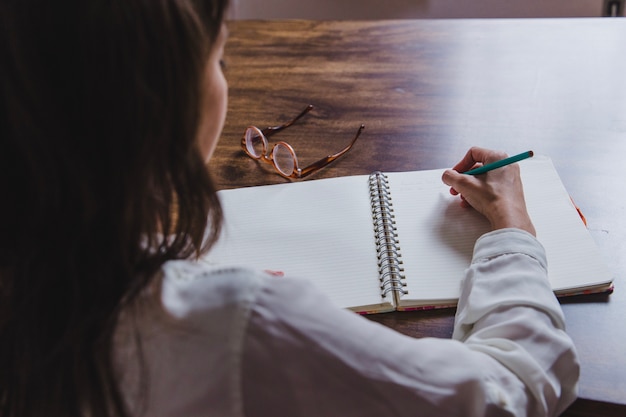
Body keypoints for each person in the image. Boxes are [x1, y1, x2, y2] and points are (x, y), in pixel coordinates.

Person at [0, 0, 578, 416]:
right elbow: (516, 388)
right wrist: (513, 231)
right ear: (165, 103)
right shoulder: (240, 327)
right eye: (220, 59)